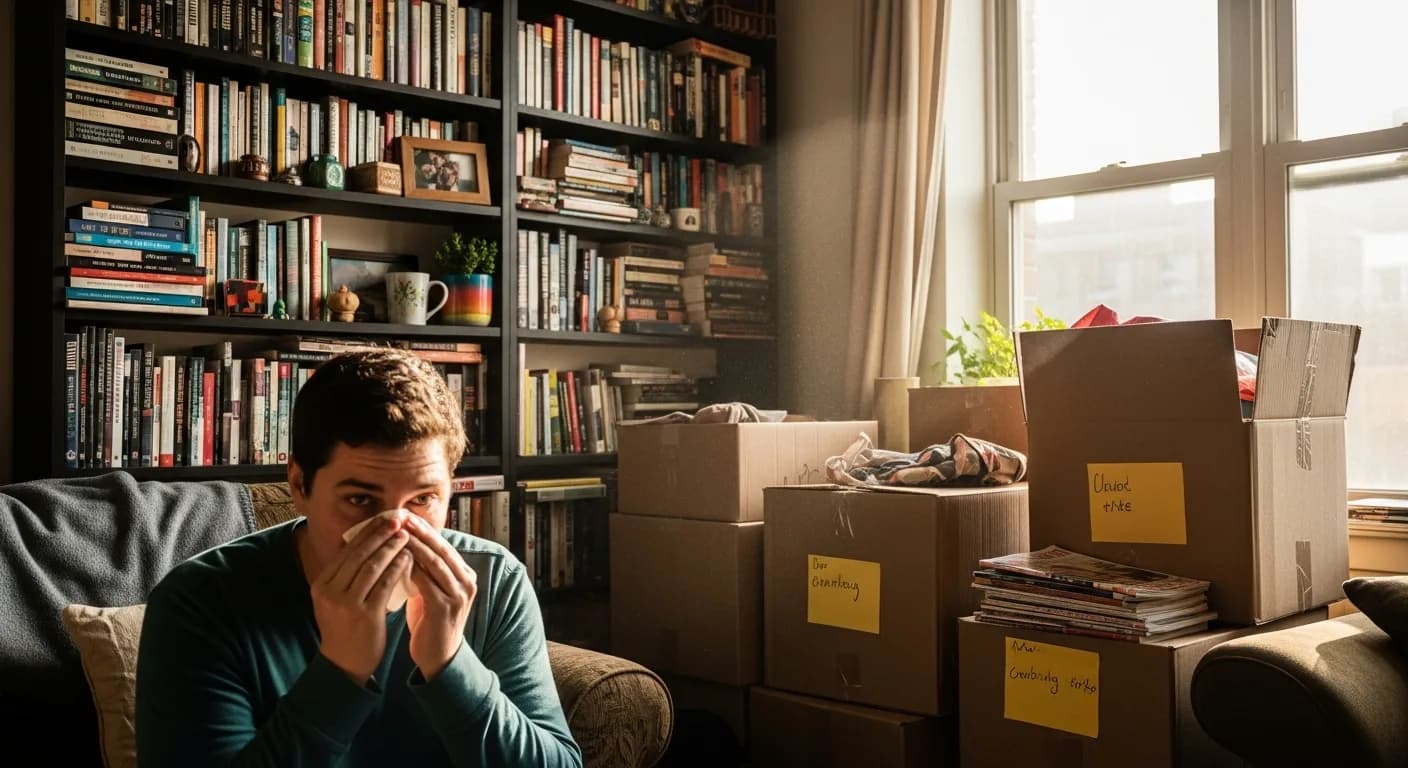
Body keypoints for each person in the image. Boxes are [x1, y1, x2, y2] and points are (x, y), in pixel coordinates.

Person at [135, 350, 582, 768]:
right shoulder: (198, 603)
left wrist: (448, 662)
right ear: (299, 485)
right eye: (361, 500)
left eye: (423, 499)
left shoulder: (494, 580)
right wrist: (341, 672)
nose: (396, 529)